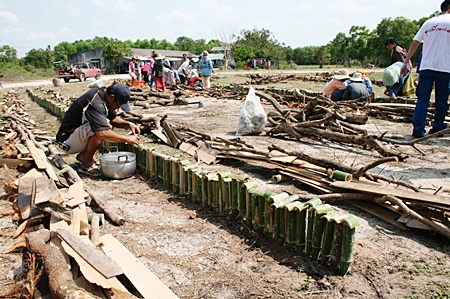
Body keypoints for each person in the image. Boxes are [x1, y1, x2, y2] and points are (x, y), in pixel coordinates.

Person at [55, 83, 140, 176]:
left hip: (75, 136)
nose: (118, 107)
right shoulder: (95, 102)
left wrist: (128, 124)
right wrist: (127, 139)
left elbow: (113, 119)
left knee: (106, 125)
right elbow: (102, 133)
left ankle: (84, 156)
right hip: (66, 141)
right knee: (102, 128)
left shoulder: (103, 97)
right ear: (111, 97)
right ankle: (86, 162)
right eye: (118, 104)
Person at [402, 0, 450, 138]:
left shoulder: (429, 22)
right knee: (441, 99)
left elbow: (414, 44)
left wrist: (405, 64)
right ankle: (437, 127)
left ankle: (418, 129)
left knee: (422, 98)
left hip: (426, 66)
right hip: (445, 67)